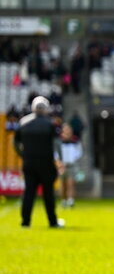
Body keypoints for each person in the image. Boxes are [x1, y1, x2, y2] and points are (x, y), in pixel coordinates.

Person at [14, 97, 64, 228]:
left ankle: (25, 221)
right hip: (46, 163)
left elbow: (15, 143)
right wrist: (60, 160)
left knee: (29, 192)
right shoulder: (51, 124)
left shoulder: (23, 122)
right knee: (48, 193)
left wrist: (23, 155)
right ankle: (52, 221)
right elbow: (57, 144)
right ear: (46, 109)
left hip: (29, 162)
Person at [59, 123, 82, 208]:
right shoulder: (59, 141)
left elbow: (79, 152)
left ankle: (70, 200)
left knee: (71, 183)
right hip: (62, 165)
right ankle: (63, 200)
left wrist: (73, 159)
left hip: (72, 165)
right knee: (63, 184)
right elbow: (56, 152)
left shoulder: (75, 140)